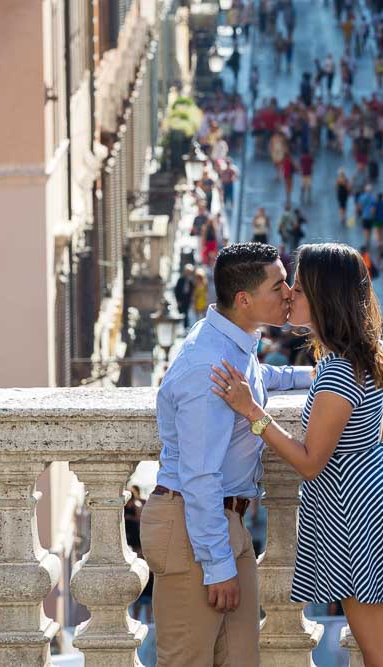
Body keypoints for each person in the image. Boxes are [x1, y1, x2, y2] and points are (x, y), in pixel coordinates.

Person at [209, 243, 383, 666]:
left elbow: (311, 461)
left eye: (298, 285)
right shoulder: (371, 355)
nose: (289, 293)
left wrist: (253, 413)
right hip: (376, 504)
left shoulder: (338, 370)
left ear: (322, 294)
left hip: (354, 516)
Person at [142, 243, 313, 666]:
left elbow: (257, 378)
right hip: (193, 527)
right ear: (245, 300)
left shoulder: (228, 338)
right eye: (279, 286)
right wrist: (217, 566)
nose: (289, 292)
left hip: (222, 523)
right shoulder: (208, 366)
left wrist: (318, 374)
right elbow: (200, 474)